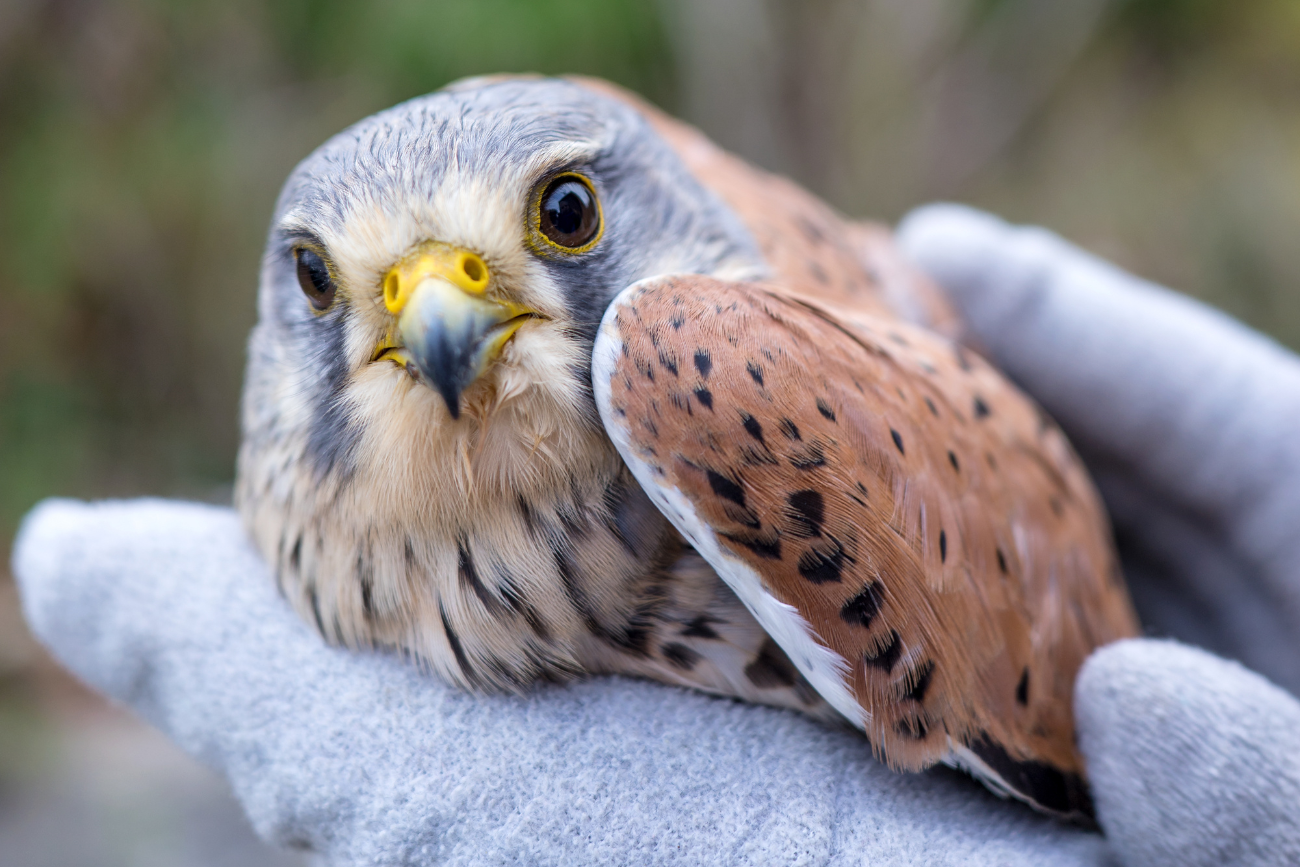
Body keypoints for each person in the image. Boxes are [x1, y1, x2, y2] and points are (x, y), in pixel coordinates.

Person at [13, 205, 1300, 866]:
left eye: (555, 218)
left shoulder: (705, 385)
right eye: (330, 283)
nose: (441, 319)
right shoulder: (300, 515)